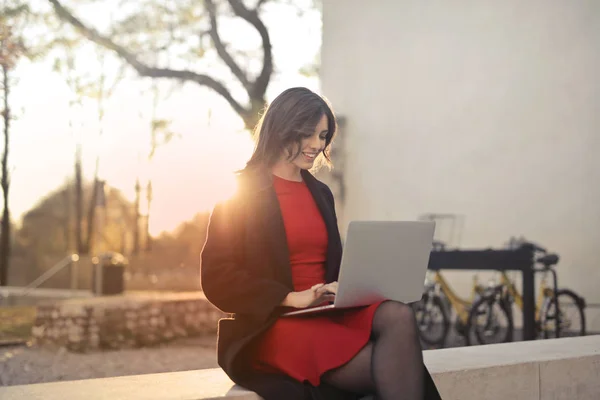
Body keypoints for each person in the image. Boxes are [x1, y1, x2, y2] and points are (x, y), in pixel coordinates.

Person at [201, 87, 441, 400]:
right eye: (308, 134)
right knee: (393, 371)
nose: (318, 145)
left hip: (325, 312)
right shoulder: (242, 192)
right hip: (274, 325)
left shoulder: (321, 194)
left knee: (397, 313)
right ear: (283, 128)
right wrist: (289, 297)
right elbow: (216, 277)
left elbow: (332, 264)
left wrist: (350, 286)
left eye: (323, 135)